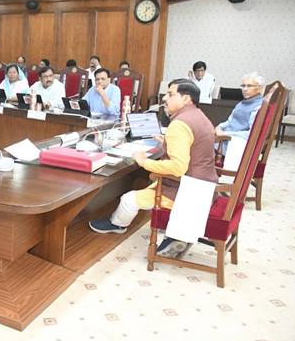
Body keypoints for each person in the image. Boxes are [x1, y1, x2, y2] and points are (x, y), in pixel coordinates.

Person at [88, 79, 218, 258]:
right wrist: (167, 143)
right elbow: (194, 148)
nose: (164, 98)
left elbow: (178, 167)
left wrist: (143, 161)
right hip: (206, 183)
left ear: (186, 98)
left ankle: (117, 225)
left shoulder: (179, 124)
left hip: (188, 190)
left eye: (170, 94)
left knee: (128, 199)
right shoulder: (199, 116)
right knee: (147, 184)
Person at [215, 71, 265, 154]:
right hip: (225, 137)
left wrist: (225, 134)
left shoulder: (259, 106)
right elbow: (230, 121)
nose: (245, 89)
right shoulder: (241, 103)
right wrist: (219, 127)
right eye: (243, 86)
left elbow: (252, 133)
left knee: (201, 144)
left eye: (249, 86)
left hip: (235, 143)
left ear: (259, 88)